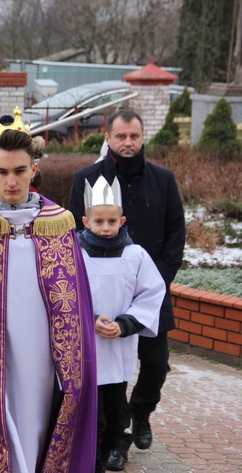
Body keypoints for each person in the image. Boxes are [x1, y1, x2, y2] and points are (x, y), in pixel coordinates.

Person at [0, 124, 97, 472]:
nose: (11, 182)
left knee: (35, 417)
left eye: (19, 172)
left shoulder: (59, 223)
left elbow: (76, 300)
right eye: (2, 172)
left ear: (34, 170)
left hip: (41, 347)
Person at [68, 110, 185, 469]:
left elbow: (175, 234)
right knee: (105, 379)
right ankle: (115, 440)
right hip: (97, 305)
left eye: (134, 136)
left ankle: (141, 412)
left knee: (155, 365)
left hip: (147, 292)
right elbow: (72, 235)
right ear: (108, 136)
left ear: (142, 136)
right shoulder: (86, 178)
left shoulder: (163, 180)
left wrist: (153, 283)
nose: (128, 143)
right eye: (121, 136)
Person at [78, 175, 164, 473]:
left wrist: (125, 324)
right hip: (85, 344)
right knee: (91, 407)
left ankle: (116, 446)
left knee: (115, 403)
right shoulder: (75, 254)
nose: (105, 227)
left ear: (122, 220)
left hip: (117, 345)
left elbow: (151, 293)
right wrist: (88, 319)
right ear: (85, 221)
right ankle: (92, 454)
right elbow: (62, 289)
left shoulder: (135, 255)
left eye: (112, 221)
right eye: (99, 221)